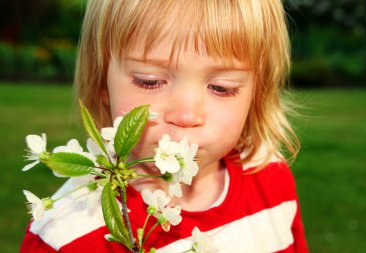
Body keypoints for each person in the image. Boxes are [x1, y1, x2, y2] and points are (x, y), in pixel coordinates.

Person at [20, 0, 308, 252]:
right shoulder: (65, 233)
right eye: (149, 81)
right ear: (102, 86)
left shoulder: (270, 176)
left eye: (222, 87)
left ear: (256, 93)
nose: (186, 115)